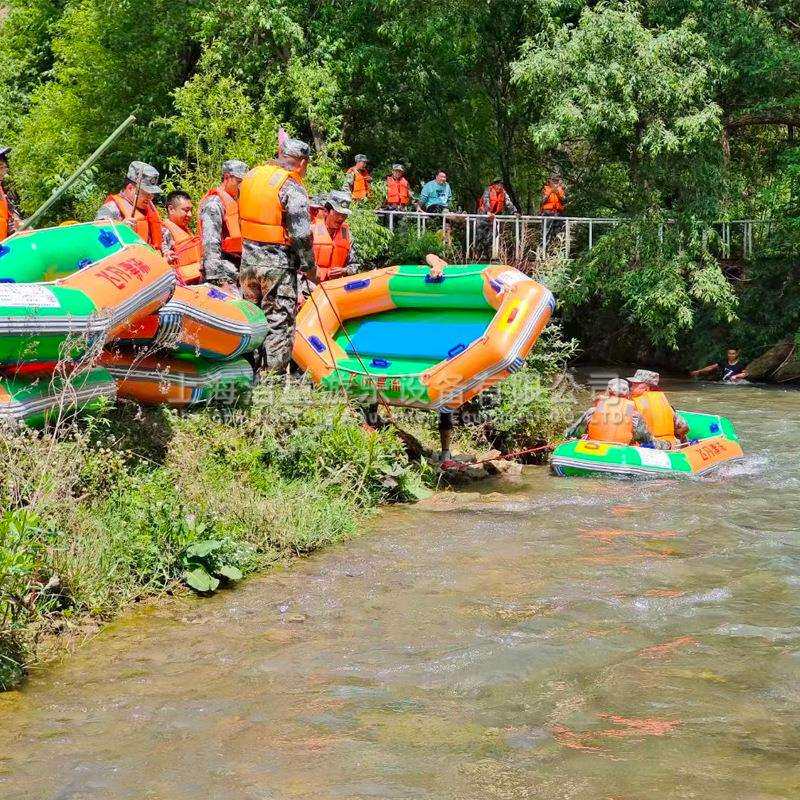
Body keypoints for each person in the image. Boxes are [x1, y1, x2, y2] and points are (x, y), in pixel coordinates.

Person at [238, 138, 314, 373]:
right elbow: (300, 234)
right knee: (278, 322)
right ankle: (273, 383)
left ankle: (247, 374)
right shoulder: (291, 185)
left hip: (248, 263)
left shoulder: (252, 176)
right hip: (277, 266)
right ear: (301, 163)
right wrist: (309, 265)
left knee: (251, 319)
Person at [198, 159, 248, 293]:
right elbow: (210, 245)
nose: (241, 187)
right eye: (239, 182)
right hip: (222, 275)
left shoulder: (237, 202)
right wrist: (219, 282)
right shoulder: (214, 204)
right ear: (227, 177)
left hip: (237, 272)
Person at [96, 161, 167, 255]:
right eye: (146, 193)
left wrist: (165, 251)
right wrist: (120, 229)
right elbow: (97, 242)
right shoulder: (110, 210)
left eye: (152, 194)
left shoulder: (149, 210)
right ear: (130, 188)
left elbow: (161, 237)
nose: (150, 198)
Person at [565, 378, 659, 447]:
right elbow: (645, 438)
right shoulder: (632, 413)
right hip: (621, 451)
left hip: (595, 448)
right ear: (627, 393)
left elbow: (576, 432)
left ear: (609, 391)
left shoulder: (594, 410)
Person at [627, 369, 689, 447]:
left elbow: (629, 426)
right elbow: (684, 427)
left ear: (646, 387)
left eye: (636, 384)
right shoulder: (665, 403)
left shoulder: (630, 403)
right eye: (632, 383)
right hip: (672, 444)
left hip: (651, 446)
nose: (631, 386)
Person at [311, 190, 360, 282]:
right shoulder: (311, 231)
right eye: (338, 214)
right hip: (310, 285)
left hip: (334, 286)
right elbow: (297, 263)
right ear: (326, 211)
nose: (341, 218)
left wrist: (345, 270)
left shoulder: (347, 235)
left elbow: (355, 265)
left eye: (344, 215)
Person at [161, 190, 202, 283]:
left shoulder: (186, 230)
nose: (190, 214)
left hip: (195, 281)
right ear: (171, 209)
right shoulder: (164, 232)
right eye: (186, 210)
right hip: (178, 284)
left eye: (191, 210)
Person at [475, 177, 518, 259]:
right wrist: (488, 211)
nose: (500, 186)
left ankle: (487, 253)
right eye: (498, 184)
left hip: (493, 216)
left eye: (501, 185)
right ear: (494, 184)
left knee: (493, 234)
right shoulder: (488, 190)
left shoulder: (503, 193)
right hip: (483, 215)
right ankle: (478, 254)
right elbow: (485, 200)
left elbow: (508, 203)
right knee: (480, 235)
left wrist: (514, 211)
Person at [0, 146, 21, 241]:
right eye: (1, 167)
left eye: (4, 166)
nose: (4, 170)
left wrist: (17, 222)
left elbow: (8, 216)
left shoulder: (2, 189)